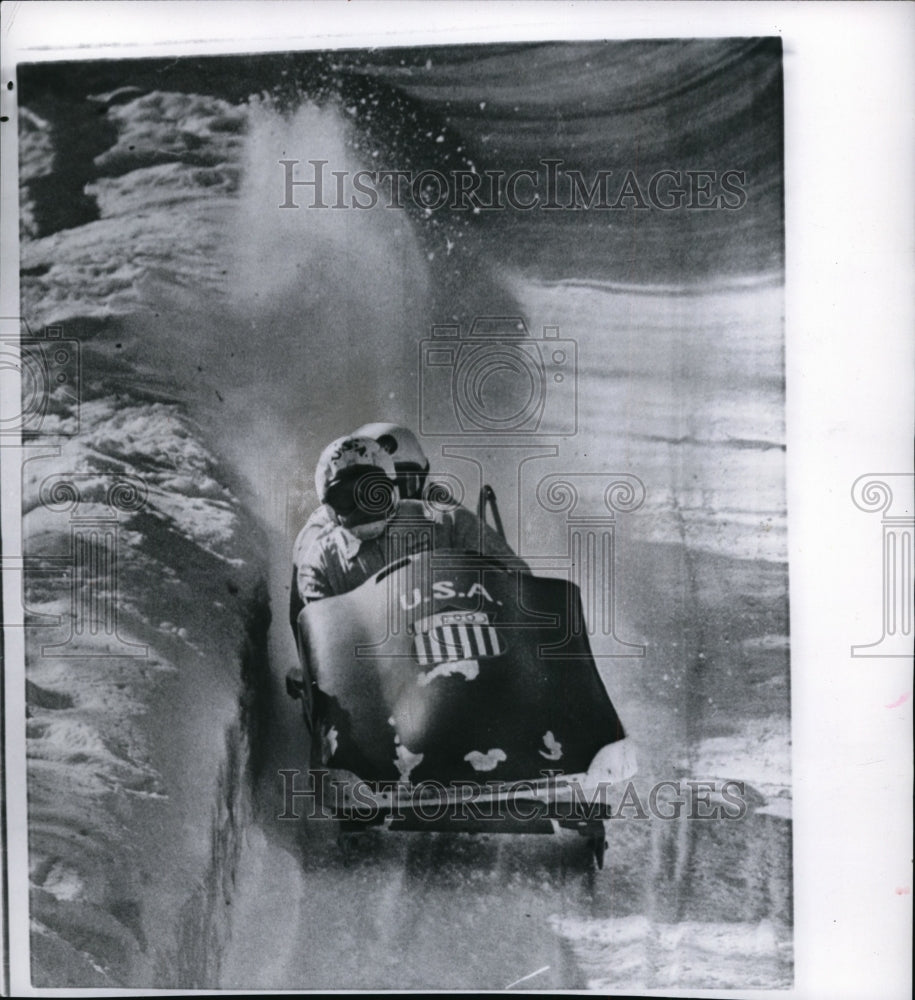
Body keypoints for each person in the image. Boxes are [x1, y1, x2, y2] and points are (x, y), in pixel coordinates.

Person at [288, 433, 526, 635]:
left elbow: (518, 579)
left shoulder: (447, 521)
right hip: (388, 680)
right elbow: (323, 645)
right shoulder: (319, 563)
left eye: (373, 492)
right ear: (329, 509)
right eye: (345, 497)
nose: (362, 506)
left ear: (391, 489)